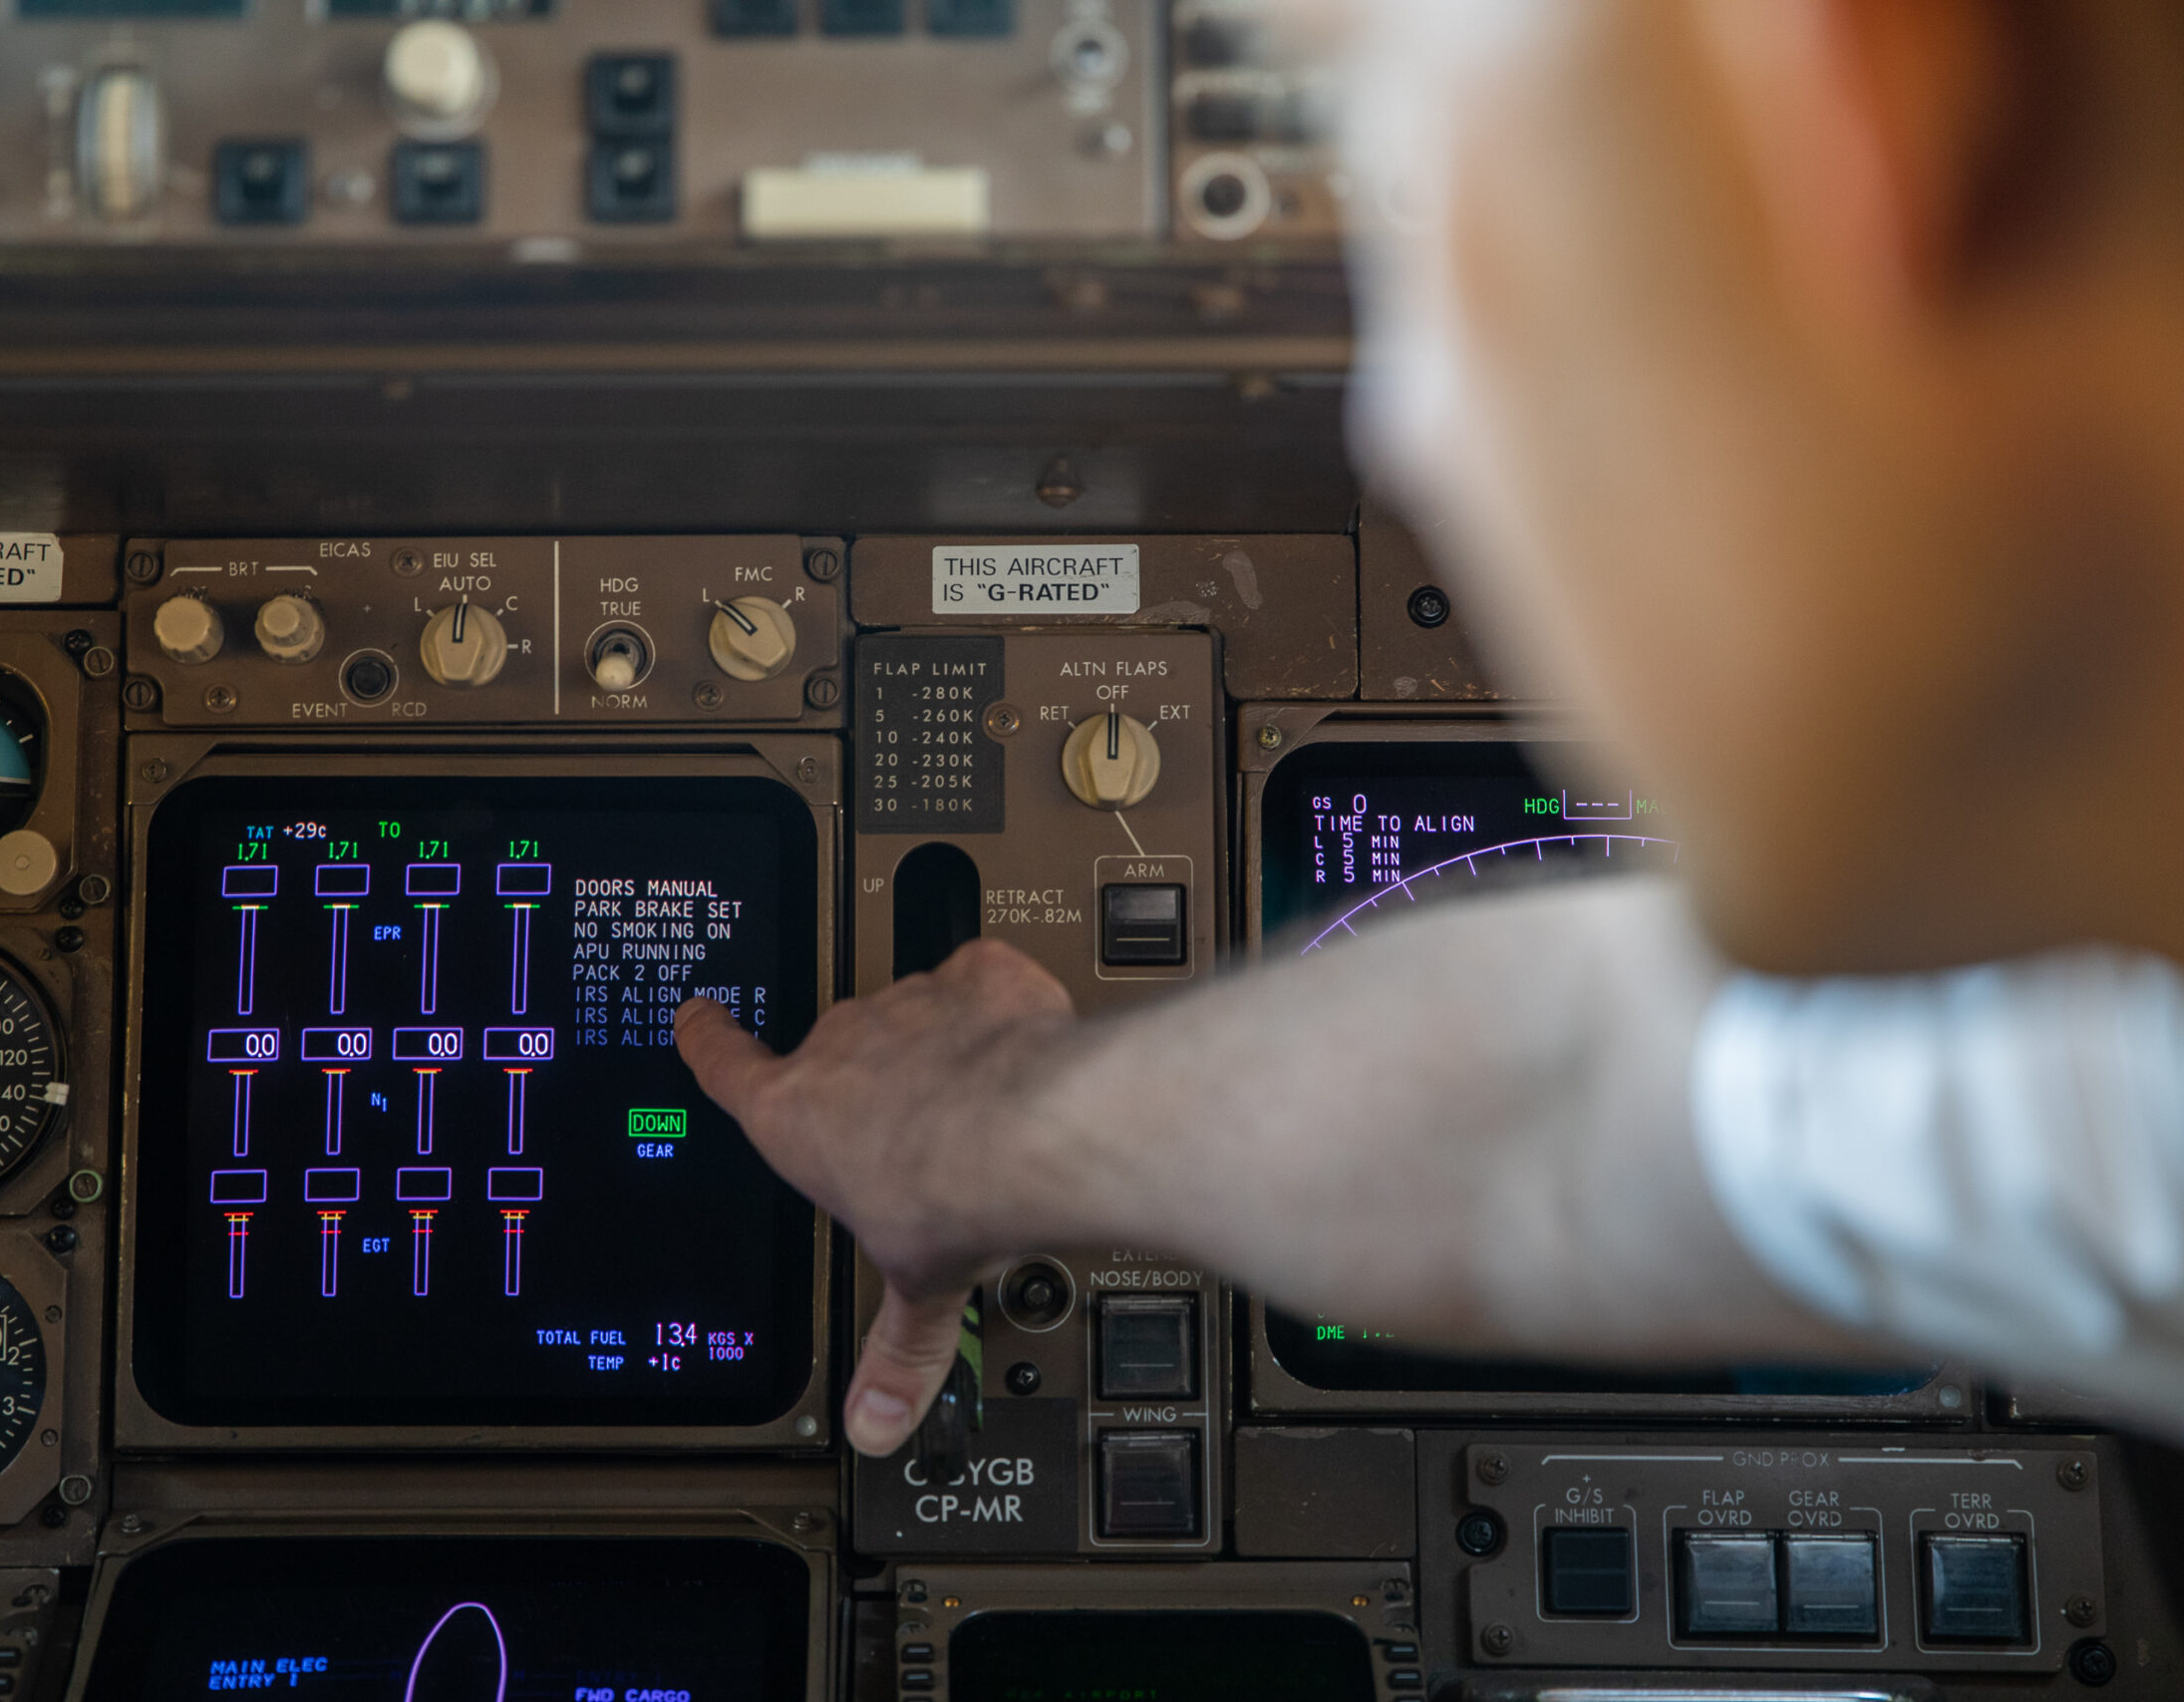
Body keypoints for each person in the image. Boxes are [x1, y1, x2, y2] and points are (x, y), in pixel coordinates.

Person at [678, 0, 2184, 1458]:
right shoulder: (2128, 1100)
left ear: (1870, 96)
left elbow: (1567, 1112)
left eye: (1428, 202)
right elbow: (1555, 1112)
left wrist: (976, 1123)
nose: (1401, 431)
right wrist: (973, 1129)